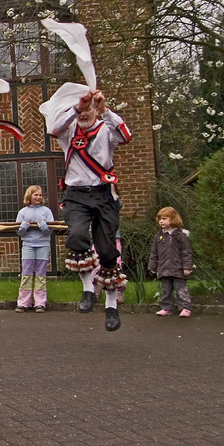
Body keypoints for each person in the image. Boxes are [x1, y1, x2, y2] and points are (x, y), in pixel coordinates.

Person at [51, 89, 130, 332]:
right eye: (81, 110)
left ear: (96, 110)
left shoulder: (107, 129)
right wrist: (76, 108)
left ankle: (111, 306)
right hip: (76, 196)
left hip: (104, 194)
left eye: (89, 110)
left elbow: (126, 136)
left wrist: (105, 109)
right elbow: (55, 128)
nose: (84, 114)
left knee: (107, 251)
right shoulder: (69, 132)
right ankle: (87, 290)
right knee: (76, 235)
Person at [149, 206, 194, 318]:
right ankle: (167, 307)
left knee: (181, 288)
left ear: (173, 219)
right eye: (160, 219)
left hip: (178, 267)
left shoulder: (180, 235)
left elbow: (186, 252)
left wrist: (187, 266)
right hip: (164, 268)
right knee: (166, 289)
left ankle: (185, 308)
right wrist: (153, 266)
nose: (161, 221)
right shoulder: (158, 236)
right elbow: (154, 252)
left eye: (164, 218)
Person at [15, 185, 54, 313]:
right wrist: (24, 226)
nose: (38, 197)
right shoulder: (23, 212)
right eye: (35, 195)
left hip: (43, 244)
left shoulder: (46, 211)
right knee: (26, 273)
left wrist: (43, 225)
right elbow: (19, 232)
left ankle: (40, 303)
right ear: (29, 196)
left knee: (40, 274)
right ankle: (23, 303)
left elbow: (50, 231)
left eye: (40, 195)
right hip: (28, 245)